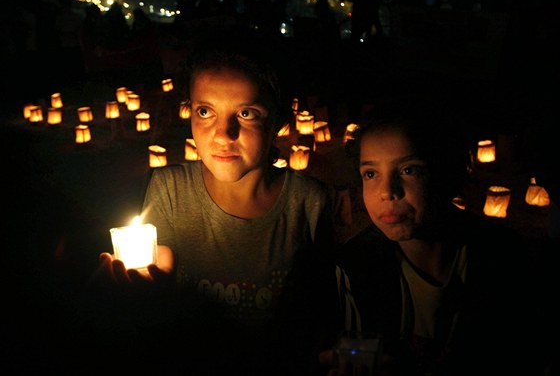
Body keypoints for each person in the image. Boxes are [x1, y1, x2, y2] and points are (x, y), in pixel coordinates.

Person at [80, 25, 335, 375]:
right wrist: (138, 290)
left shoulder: (309, 203)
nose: (222, 134)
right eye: (205, 111)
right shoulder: (169, 189)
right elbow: (157, 276)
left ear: (278, 120)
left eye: (246, 114)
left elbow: (319, 313)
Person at [316, 101, 547, 376]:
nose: (387, 192)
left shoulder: (502, 259)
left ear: (447, 171)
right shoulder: (354, 267)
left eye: (409, 170)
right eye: (371, 173)